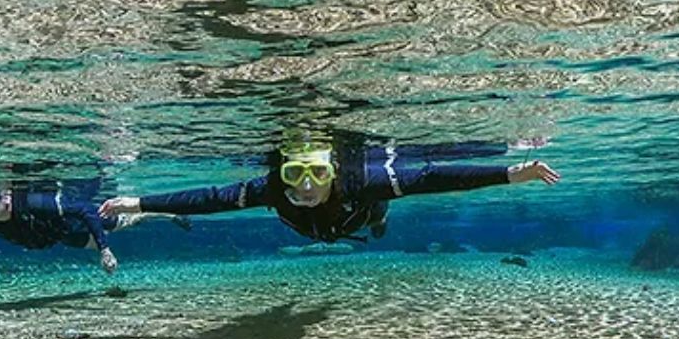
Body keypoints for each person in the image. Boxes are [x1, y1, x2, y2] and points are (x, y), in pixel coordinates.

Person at [98, 137, 559, 244]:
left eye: (316, 174)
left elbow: (434, 177)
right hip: (310, 231)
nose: (303, 186)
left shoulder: (362, 179)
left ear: (333, 171)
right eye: (294, 173)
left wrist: (509, 173)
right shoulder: (274, 188)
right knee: (300, 216)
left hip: (358, 214)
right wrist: (138, 202)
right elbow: (211, 200)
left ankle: (381, 218)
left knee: (379, 208)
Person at [0, 181, 191, 273]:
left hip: (75, 224)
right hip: (63, 237)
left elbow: (84, 209)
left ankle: (165, 211)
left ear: (5, 199)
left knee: (126, 222)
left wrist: (105, 250)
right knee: (115, 233)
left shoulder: (34, 202)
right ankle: (157, 215)